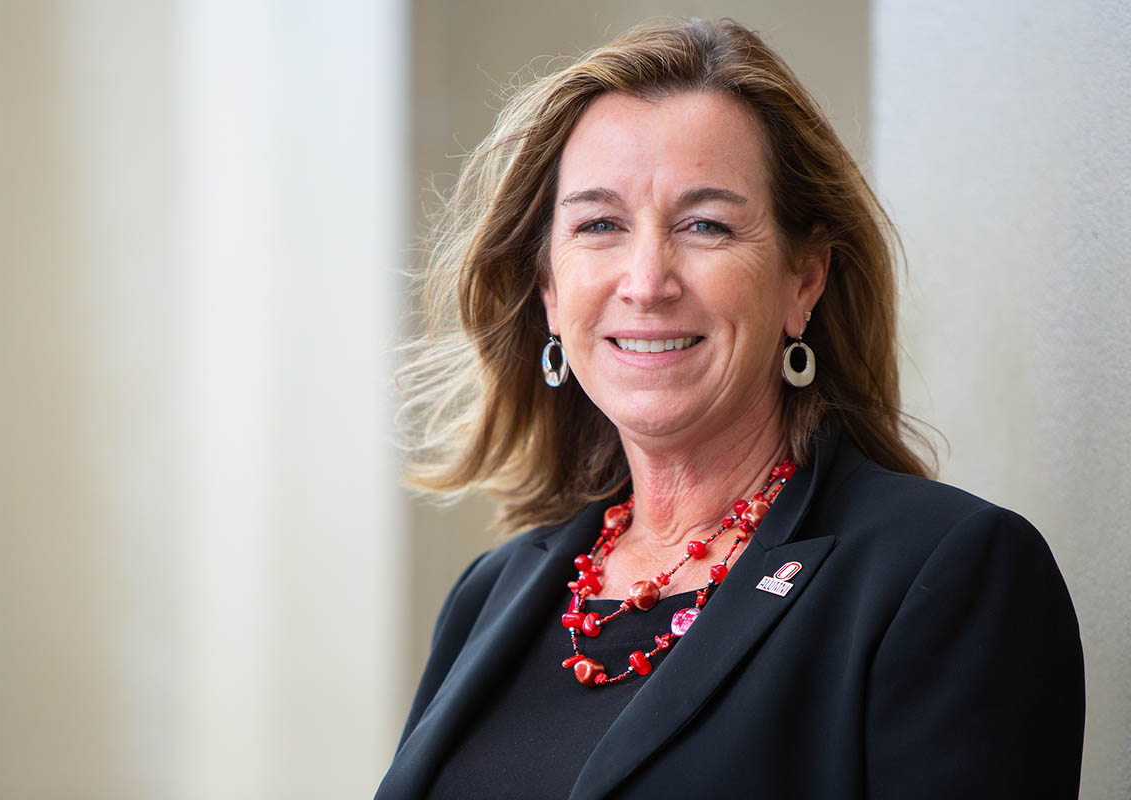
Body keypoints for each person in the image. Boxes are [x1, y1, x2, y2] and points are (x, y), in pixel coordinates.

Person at [376, 18, 1084, 800]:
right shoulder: (493, 591)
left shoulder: (944, 577)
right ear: (548, 289)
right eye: (599, 225)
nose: (647, 281)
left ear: (803, 279)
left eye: (705, 224)